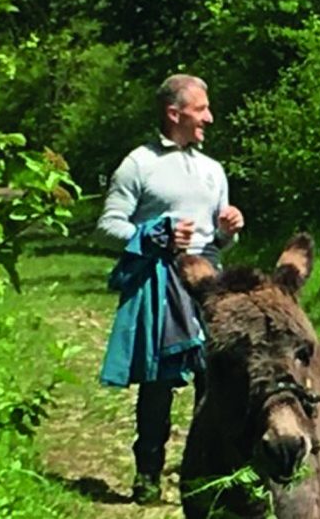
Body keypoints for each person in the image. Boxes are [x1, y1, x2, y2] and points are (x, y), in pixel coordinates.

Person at [97, 73, 245, 504]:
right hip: (160, 282)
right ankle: (147, 475)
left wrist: (227, 230)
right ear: (173, 112)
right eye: (201, 110)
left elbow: (217, 241)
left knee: (213, 379)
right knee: (159, 383)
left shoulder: (212, 169)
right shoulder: (138, 164)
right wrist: (153, 235)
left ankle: (210, 476)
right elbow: (107, 227)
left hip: (209, 285)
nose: (210, 118)